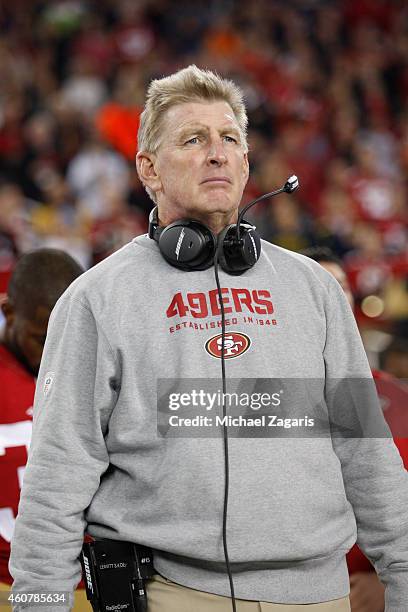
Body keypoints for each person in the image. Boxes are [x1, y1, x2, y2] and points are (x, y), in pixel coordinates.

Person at [9, 66, 408, 612]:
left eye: (229, 139)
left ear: (246, 161)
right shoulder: (96, 299)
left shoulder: (314, 289)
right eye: (193, 140)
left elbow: (367, 452)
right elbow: (57, 475)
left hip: (322, 596)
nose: (216, 153)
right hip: (173, 596)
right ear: (148, 168)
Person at [302, 245, 408, 612]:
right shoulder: (260, 398)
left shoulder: (397, 396)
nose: (336, 295)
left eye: (343, 285)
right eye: (322, 285)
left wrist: (389, 581)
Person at [0, 248, 87, 609]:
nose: (55, 350)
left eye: (64, 335)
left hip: (94, 585)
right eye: (41, 336)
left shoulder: (99, 366)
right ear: (8, 313)